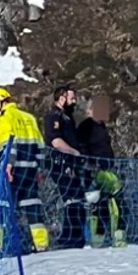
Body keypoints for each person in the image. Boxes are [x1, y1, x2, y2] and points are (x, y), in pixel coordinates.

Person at [0, 87, 49, 253]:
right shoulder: (29, 118)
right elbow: (41, 147)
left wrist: (8, 165)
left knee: (0, 205)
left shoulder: (5, 118)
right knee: (32, 205)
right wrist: (40, 169)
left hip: (11, 170)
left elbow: (8, 145)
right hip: (31, 171)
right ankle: (41, 245)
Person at [77, 95, 126, 248]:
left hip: (106, 168)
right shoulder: (86, 126)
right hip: (95, 171)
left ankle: (113, 236)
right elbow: (82, 146)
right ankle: (100, 238)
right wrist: (90, 164)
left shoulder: (101, 126)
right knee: (102, 201)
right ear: (90, 110)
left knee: (109, 204)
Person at [43, 85, 86, 250]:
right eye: (71, 98)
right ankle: (69, 237)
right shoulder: (54, 116)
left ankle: (75, 236)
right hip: (60, 163)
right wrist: (75, 152)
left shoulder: (68, 117)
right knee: (70, 199)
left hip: (71, 164)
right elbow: (55, 141)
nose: (74, 101)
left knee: (76, 199)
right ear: (62, 98)